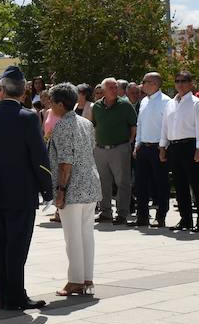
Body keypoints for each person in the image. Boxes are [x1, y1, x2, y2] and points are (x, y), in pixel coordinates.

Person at [0, 66, 53, 311]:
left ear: (1, 90)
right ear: (22, 91)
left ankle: (3, 295)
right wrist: (47, 189)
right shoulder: (28, 117)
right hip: (21, 191)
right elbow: (39, 157)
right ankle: (17, 295)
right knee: (17, 245)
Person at [47, 83, 99, 297]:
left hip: (73, 187)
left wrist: (60, 190)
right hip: (90, 184)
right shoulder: (86, 123)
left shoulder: (62, 126)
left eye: (52, 102)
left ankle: (75, 280)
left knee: (73, 236)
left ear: (60, 104)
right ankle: (87, 277)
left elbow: (65, 161)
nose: (50, 106)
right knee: (86, 234)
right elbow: (91, 148)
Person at [161, 72, 199, 233]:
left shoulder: (197, 103)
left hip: (191, 146)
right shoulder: (170, 103)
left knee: (198, 185)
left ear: (191, 83)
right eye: (177, 81)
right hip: (175, 147)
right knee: (180, 186)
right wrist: (163, 146)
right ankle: (186, 219)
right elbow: (165, 126)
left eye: (184, 81)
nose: (180, 84)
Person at [90, 78, 136, 225]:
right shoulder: (96, 106)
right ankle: (105, 212)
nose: (114, 90)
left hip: (120, 148)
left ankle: (122, 213)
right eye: (111, 88)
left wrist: (128, 143)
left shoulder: (125, 105)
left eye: (116, 87)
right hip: (101, 149)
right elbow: (93, 125)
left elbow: (133, 126)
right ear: (103, 90)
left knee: (123, 182)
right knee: (103, 182)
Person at [133, 72, 170, 227]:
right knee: (140, 184)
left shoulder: (166, 101)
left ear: (154, 84)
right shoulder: (144, 102)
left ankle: (160, 216)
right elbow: (140, 124)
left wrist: (163, 147)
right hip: (144, 148)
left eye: (144, 82)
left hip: (158, 148)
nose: (142, 85)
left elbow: (166, 126)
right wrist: (137, 145)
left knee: (160, 183)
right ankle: (142, 216)